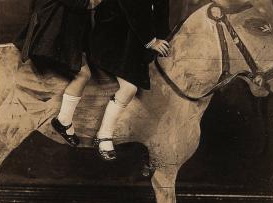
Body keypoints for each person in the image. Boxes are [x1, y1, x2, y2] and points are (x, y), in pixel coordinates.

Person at [90, 0, 171, 161]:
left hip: (135, 36)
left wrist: (162, 39)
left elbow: (162, 9)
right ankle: (104, 135)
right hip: (114, 33)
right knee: (129, 88)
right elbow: (134, 7)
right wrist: (151, 41)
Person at [14, 0, 101, 147]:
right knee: (84, 74)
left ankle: (64, 122)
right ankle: (63, 122)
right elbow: (85, 4)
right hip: (49, 37)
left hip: (51, 34)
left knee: (84, 73)